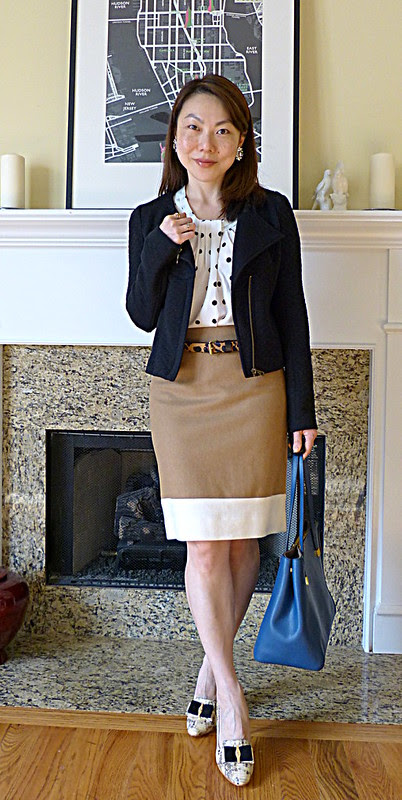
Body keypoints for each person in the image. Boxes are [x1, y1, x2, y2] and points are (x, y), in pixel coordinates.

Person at [126, 74, 317, 788]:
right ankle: (233, 698)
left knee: (240, 544)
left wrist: (302, 411)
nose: (205, 142)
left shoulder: (271, 213)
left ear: (241, 144)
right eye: (192, 128)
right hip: (182, 393)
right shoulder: (150, 217)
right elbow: (140, 313)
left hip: (254, 386)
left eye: (222, 130)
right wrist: (161, 248)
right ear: (175, 140)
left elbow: (293, 315)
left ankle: (211, 670)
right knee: (204, 545)